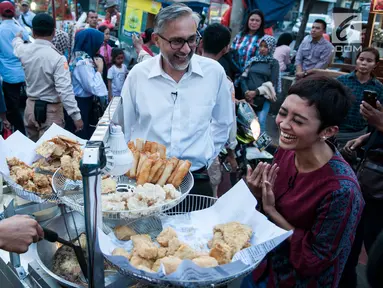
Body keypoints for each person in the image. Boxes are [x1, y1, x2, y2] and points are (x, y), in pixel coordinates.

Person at [244, 76, 364, 287]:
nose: (283, 124)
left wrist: (272, 211)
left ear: (327, 132)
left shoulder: (342, 191)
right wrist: (256, 195)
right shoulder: (288, 151)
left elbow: (314, 259)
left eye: (298, 121)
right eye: (282, 112)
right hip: (261, 267)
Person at [122, 3, 233, 198]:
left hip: (196, 179)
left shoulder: (214, 73)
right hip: (146, 183)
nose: (186, 49)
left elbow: (223, 122)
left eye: (192, 40)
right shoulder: (138, 75)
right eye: (176, 42)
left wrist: (206, 156)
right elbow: (122, 126)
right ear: (156, 39)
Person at [339, 79, 383, 288]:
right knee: (350, 243)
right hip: (367, 181)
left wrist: (380, 123)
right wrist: (365, 137)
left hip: (379, 195)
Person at [12, 13, 83, 142]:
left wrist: (17, 38)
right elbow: (65, 90)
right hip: (51, 112)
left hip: (30, 110)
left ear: (33, 32)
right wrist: (76, 116)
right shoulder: (57, 58)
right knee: (50, 156)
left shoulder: (24, 51)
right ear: (54, 32)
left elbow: (17, 46)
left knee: (33, 152)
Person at [202, 23, 238, 195]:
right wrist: (231, 151)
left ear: (200, 43)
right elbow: (228, 122)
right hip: (207, 153)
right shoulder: (225, 82)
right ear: (226, 49)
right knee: (208, 198)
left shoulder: (181, 72)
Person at [336, 47, 383, 149]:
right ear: (356, 60)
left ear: (375, 65)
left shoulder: (379, 88)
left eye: (369, 61)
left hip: (359, 133)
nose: (364, 63)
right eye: (361, 59)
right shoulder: (341, 81)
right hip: (337, 129)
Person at [69, 29, 108, 139]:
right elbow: (93, 87)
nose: (99, 47)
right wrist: (100, 69)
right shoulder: (83, 62)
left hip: (82, 102)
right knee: (81, 136)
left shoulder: (80, 56)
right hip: (81, 104)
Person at [0, 1, 29, 135]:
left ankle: (20, 133)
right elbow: (28, 44)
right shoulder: (20, 29)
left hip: (7, 74)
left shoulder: (1, 29)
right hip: (23, 72)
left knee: (13, 107)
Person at [240, 35, 280, 133]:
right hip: (248, 96)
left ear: (271, 48)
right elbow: (243, 77)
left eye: (266, 47)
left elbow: (272, 82)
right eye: (261, 46)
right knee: (246, 122)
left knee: (260, 122)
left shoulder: (273, 63)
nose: (262, 49)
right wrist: (246, 92)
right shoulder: (253, 60)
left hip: (263, 98)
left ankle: (260, 147)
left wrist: (256, 92)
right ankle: (246, 146)